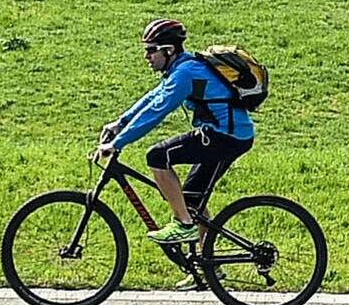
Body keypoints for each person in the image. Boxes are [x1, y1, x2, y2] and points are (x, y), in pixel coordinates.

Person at [95, 19, 255, 284]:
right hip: (219, 134)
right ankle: (208, 268)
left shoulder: (185, 74)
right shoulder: (181, 69)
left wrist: (118, 143)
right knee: (192, 201)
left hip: (227, 137)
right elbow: (152, 98)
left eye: (151, 50)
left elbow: (158, 112)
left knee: (158, 156)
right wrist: (120, 123)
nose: (146, 56)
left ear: (168, 50)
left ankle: (183, 226)